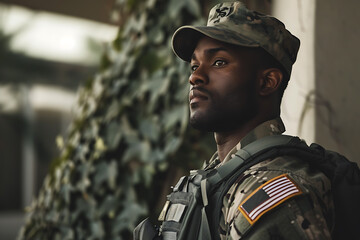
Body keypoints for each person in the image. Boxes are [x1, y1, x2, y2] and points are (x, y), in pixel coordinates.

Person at [135, 2, 335, 239]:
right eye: (194, 66)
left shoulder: (271, 191)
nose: (195, 77)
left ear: (267, 81)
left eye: (219, 62)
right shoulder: (218, 176)